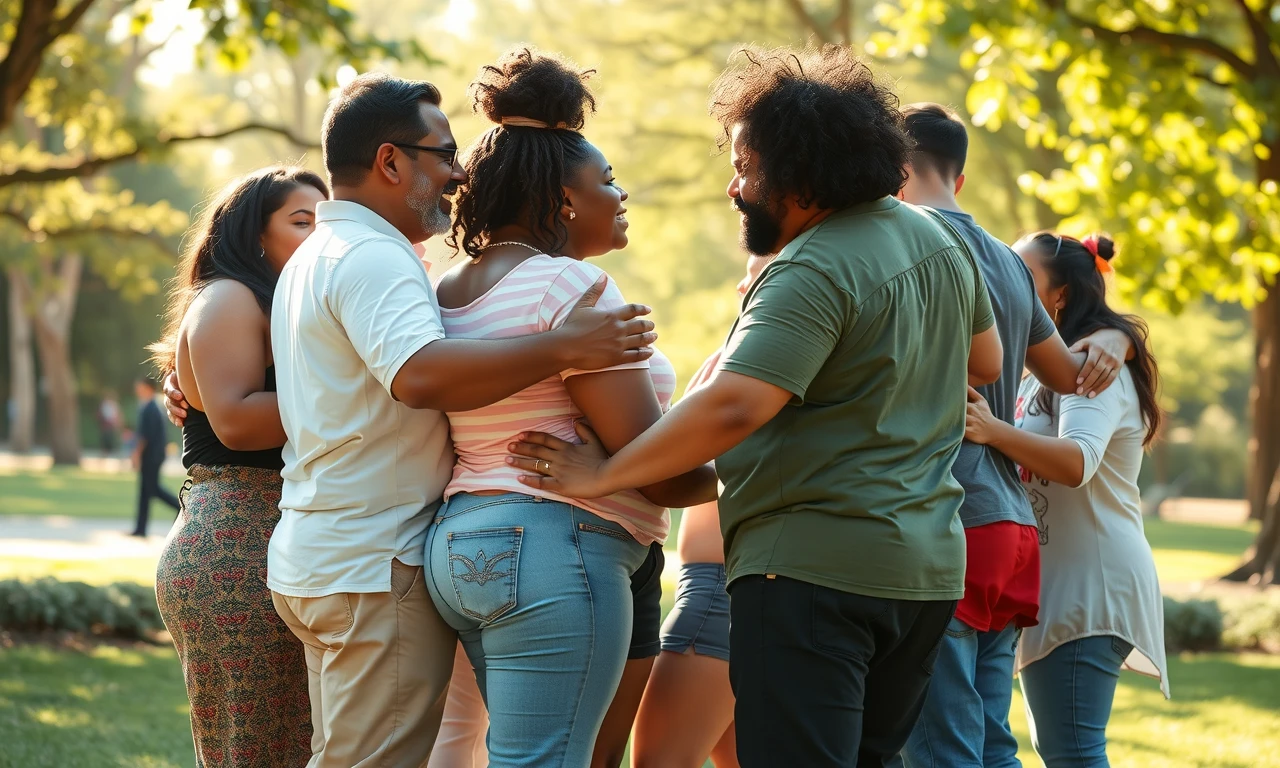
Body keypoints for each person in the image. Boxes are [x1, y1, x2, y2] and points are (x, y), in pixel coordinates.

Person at [508, 45, 1005, 766]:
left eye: (745, 168)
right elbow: (985, 360)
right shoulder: (931, 237)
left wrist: (601, 475)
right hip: (923, 574)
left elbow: (733, 407)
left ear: (799, 174)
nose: (735, 188)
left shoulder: (812, 265)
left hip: (812, 573)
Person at [266, 71, 657, 768]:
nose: (457, 173)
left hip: (333, 550)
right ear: (391, 161)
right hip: (374, 555)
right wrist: (569, 345)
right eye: (442, 155)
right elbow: (419, 375)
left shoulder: (318, 257)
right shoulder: (375, 257)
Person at [422, 48, 715, 768]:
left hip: (462, 544)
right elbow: (658, 471)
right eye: (608, 182)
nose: (622, 196)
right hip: (559, 547)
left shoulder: (445, 291)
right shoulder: (571, 290)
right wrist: (722, 468)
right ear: (562, 200)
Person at [895, 103, 1132, 768]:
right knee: (990, 739)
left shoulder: (903, 240)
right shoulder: (1006, 261)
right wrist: (1119, 334)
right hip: (1011, 535)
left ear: (894, 168)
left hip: (947, 525)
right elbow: (1068, 373)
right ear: (960, 178)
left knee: (940, 743)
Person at [964, 233, 1169, 767]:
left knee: (1072, 752)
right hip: (1054, 588)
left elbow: (1079, 461)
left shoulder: (1093, 369)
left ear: (1060, 297)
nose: (1004, 282)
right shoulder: (1047, 368)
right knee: (1050, 748)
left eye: (1023, 276)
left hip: (1090, 589)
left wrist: (993, 430)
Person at [149, 165, 329, 767]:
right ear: (254, 233)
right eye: (301, 221)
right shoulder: (230, 295)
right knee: (252, 753)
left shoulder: (285, 305)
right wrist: (366, 394)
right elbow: (236, 420)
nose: (319, 233)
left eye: (325, 221)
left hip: (273, 539)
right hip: (235, 544)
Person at [630, 254, 777, 768]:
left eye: (759, 272)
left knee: (658, 763)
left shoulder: (766, 365)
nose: (743, 283)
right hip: (738, 590)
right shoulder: (737, 356)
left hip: (717, 597)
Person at [130, 375, 179, 537]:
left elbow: (145, 436)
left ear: (147, 388)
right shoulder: (153, 406)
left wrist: (136, 455)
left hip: (151, 456)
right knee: (145, 491)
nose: (137, 390)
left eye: (140, 386)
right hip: (153, 455)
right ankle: (140, 528)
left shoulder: (150, 408)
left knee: (153, 489)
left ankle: (179, 507)